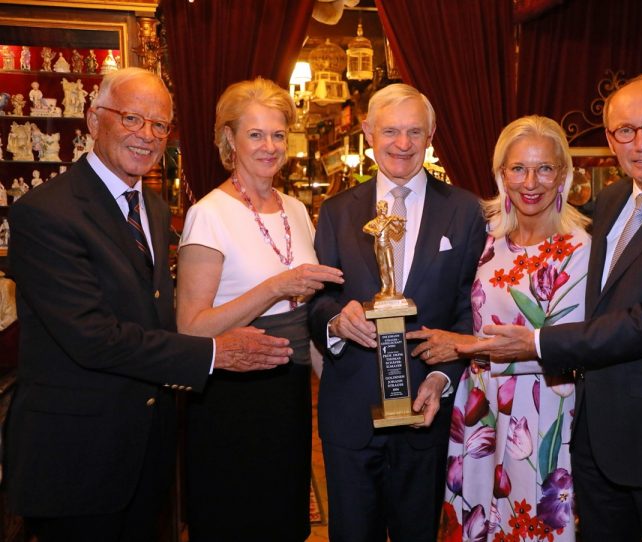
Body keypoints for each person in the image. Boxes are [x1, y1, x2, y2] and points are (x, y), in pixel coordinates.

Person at [458, 74, 642, 542]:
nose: (639, 143)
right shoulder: (614, 200)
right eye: (624, 131)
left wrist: (537, 341)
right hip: (596, 444)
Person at [5, 67, 293, 542]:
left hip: (144, 452)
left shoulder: (153, 209)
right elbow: (92, 339)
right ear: (94, 119)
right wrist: (216, 352)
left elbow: (155, 314)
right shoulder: (45, 212)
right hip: (77, 458)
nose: (147, 135)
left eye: (160, 125)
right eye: (133, 119)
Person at [309, 83, 486, 541]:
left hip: (426, 415)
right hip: (350, 414)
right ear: (368, 132)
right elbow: (316, 302)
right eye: (391, 131)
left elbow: (470, 310)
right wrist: (335, 320)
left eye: (414, 132)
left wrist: (441, 375)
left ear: (431, 136)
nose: (402, 144)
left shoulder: (466, 211)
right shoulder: (336, 213)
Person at [175, 77, 343, 542]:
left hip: (288, 396)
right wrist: (275, 287)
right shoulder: (208, 213)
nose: (269, 146)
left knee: (285, 523)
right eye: (255, 134)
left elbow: (305, 317)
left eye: (278, 133)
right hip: (232, 396)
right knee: (235, 524)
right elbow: (190, 326)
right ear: (229, 139)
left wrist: (336, 385)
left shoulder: (295, 209)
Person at [442, 116, 590, 541]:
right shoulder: (488, 240)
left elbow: (568, 347)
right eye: (518, 168)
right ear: (501, 173)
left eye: (544, 168)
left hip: (542, 411)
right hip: (480, 407)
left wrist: (464, 347)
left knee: (530, 524)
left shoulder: (579, 249)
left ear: (563, 174)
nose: (531, 182)